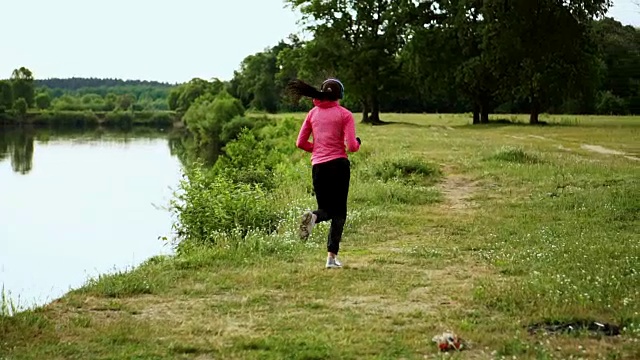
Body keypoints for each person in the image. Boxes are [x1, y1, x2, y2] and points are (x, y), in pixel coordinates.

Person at [286, 78, 361, 269]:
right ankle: (331, 258)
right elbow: (352, 146)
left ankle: (313, 216)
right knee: (339, 213)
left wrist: (318, 149)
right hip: (338, 165)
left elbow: (300, 143)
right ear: (340, 95)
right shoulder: (345, 115)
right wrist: (358, 143)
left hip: (318, 167)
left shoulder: (312, 114)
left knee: (325, 210)